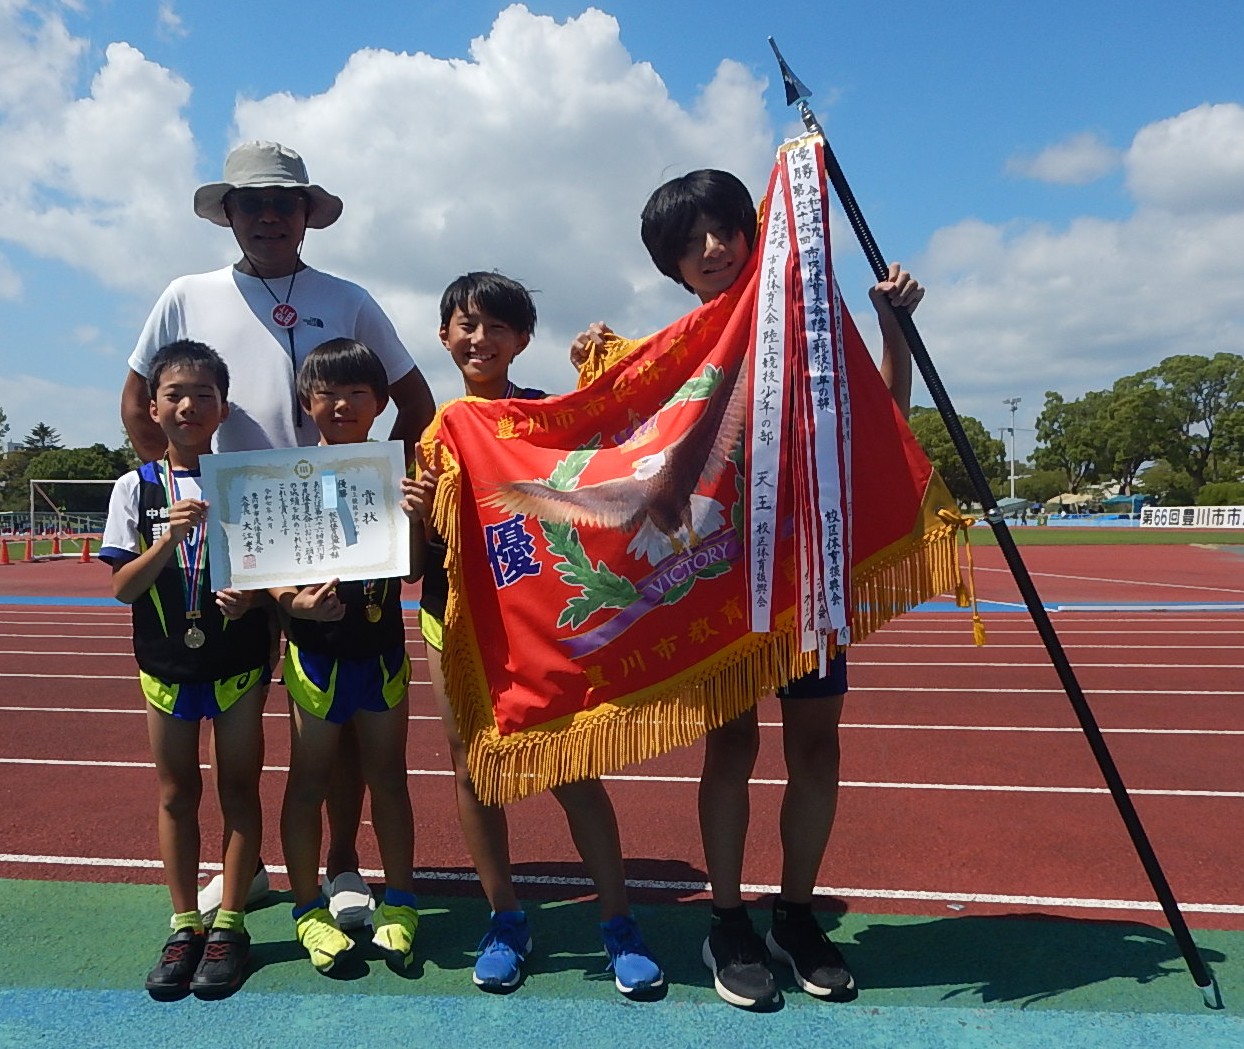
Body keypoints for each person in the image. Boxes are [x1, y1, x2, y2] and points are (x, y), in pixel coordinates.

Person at [571, 169, 923, 1009]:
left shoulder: (805, 334)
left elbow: (882, 423)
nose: (713, 248)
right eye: (691, 242)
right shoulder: (673, 360)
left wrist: (894, 327)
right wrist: (595, 375)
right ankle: (727, 919)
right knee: (730, 748)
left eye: (726, 228)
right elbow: (615, 459)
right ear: (671, 266)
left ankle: (795, 915)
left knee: (817, 749)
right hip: (716, 585)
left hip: (804, 581)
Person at [120, 140, 435, 928]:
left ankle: (340, 865)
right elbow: (135, 401)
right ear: (227, 214)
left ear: (307, 215)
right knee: (245, 719)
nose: (267, 216)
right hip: (236, 537)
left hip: (337, 542)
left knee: (334, 719)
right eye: (251, 204)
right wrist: (174, 478)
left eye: (283, 204)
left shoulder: (349, 296)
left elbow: (416, 401)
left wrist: (368, 481)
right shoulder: (184, 295)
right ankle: (249, 866)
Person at [418, 272, 662, 996]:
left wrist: (609, 362)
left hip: (539, 618)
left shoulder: (549, 414)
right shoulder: (436, 433)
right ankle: (505, 918)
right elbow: (416, 557)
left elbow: (621, 442)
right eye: (465, 324)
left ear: (523, 340)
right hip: (455, 618)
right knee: (474, 769)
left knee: (570, 764)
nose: (479, 338)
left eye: (496, 326)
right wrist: (419, 508)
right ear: (444, 337)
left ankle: (618, 921)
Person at [100, 340, 270, 999]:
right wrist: (166, 538)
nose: (189, 404)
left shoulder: (247, 481)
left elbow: (270, 572)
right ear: (153, 406)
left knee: (239, 790)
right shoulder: (134, 487)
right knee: (176, 792)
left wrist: (252, 594)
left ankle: (229, 921)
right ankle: (184, 922)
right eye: (175, 393)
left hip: (236, 663)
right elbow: (123, 588)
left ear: (222, 408)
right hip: (166, 664)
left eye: (203, 394)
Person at [271, 338, 429, 974]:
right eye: (327, 394)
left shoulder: (395, 472)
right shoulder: (285, 477)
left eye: (356, 392)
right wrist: (296, 606)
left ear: (380, 402)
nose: (341, 404)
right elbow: (270, 572)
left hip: (382, 651)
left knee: (389, 779)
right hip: (315, 656)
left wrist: (416, 517)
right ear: (308, 404)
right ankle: (308, 910)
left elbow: (414, 571)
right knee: (307, 782)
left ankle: (403, 902)